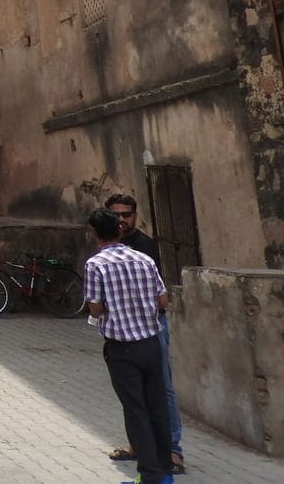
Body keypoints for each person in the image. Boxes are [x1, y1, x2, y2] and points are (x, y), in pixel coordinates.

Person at [84, 207, 173, 484]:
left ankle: (149, 476)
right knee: (157, 407)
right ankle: (165, 470)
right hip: (150, 343)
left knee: (136, 410)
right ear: (119, 229)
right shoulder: (144, 259)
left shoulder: (95, 265)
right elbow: (163, 300)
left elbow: (96, 309)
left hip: (122, 347)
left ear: (94, 233)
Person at [105, 194, 186, 475]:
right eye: (115, 215)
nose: (121, 220)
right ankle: (139, 444)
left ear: (135, 216)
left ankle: (173, 449)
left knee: (162, 387)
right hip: (123, 332)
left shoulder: (145, 247)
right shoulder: (107, 248)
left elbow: (158, 296)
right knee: (133, 393)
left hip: (151, 328)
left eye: (126, 214)